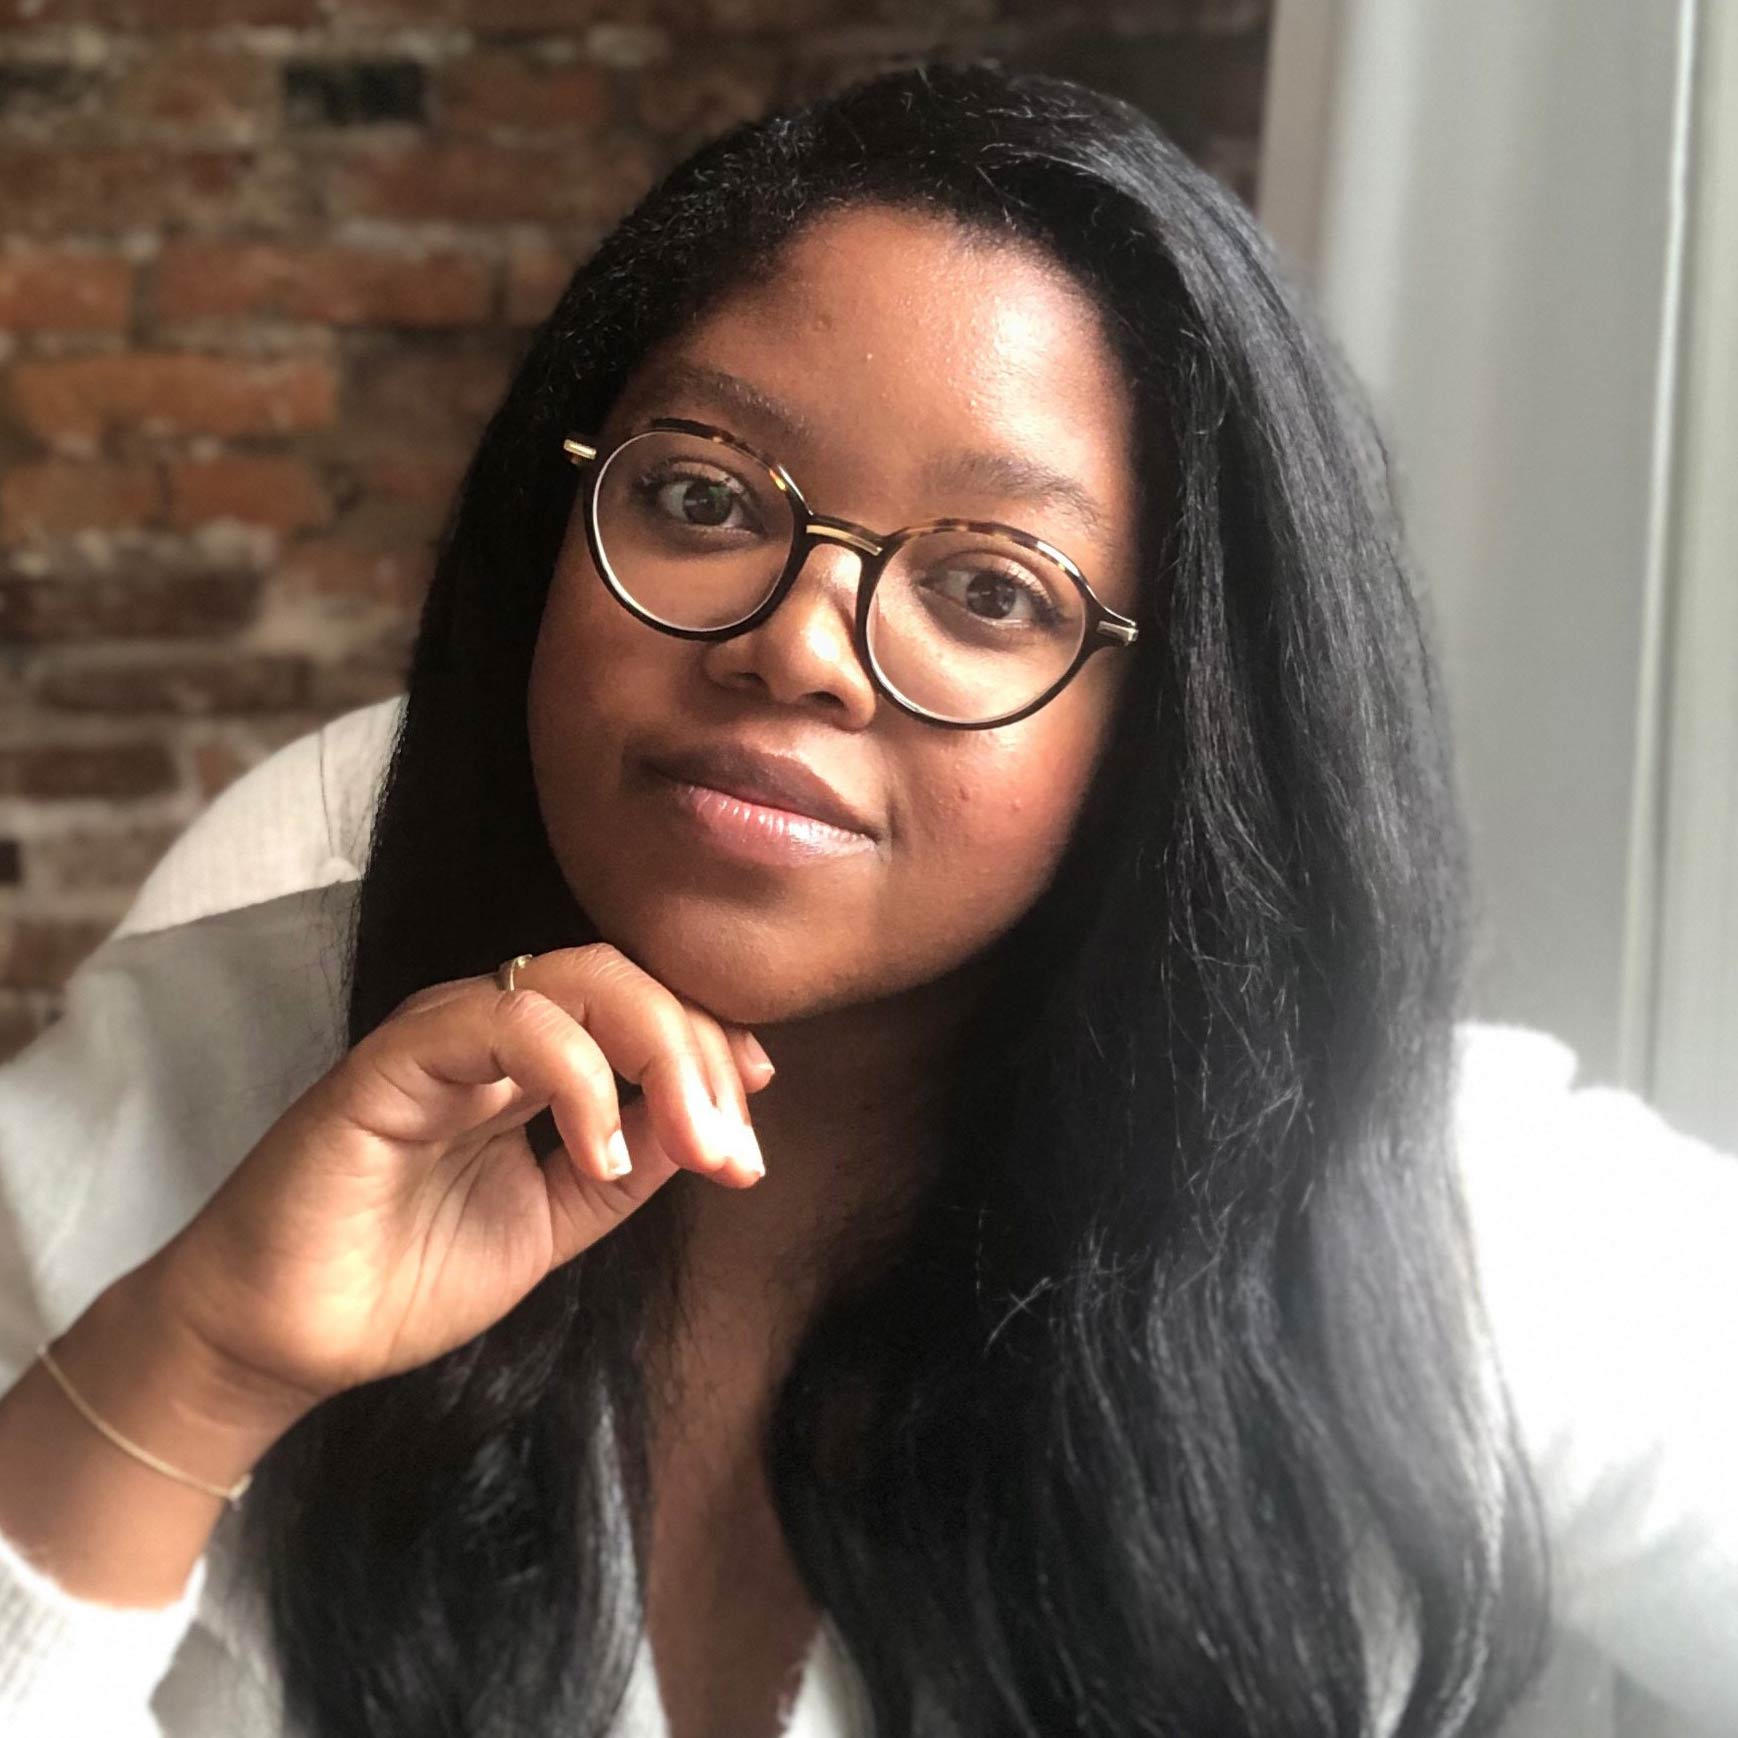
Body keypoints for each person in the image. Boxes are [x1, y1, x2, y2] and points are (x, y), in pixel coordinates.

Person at [0, 58, 1732, 1738]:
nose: (796, 642)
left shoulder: (1440, 1212)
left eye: (991, 590)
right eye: (698, 495)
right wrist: (190, 1361)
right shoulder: (190, 1095)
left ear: (1178, 721)